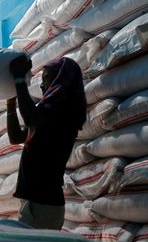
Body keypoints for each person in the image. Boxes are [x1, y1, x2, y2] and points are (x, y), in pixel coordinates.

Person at [6, 55, 87, 230]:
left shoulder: (65, 109)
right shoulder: (47, 110)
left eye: (46, 78)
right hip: (35, 203)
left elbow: (30, 117)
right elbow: (17, 138)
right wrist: (10, 104)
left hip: (43, 204)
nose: (42, 85)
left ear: (61, 78)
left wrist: (19, 79)